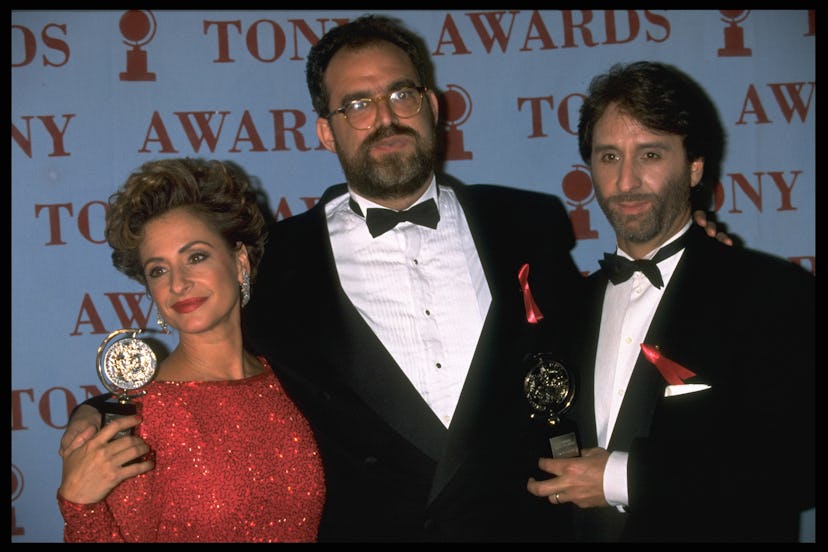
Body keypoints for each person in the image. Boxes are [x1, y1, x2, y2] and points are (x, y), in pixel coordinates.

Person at [59, 17, 723, 543]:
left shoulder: (529, 220)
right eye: (356, 104)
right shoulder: (275, 258)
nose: (383, 117)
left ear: (431, 105)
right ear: (325, 130)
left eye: (400, 93)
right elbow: (211, 369)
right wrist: (99, 414)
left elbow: (595, 331)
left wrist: (680, 260)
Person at [526, 61, 815, 542]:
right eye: (609, 157)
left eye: (651, 155)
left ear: (695, 166)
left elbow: (798, 463)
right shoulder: (567, 307)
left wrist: (624, 478)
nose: (627, 180)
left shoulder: (773, 294)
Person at [57, 158, 325, 542]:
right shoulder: (140, 419)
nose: (179, 283)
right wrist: (79, 505)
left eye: (195, 256)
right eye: (159, 270)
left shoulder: (292, 381)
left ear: (240, 261)